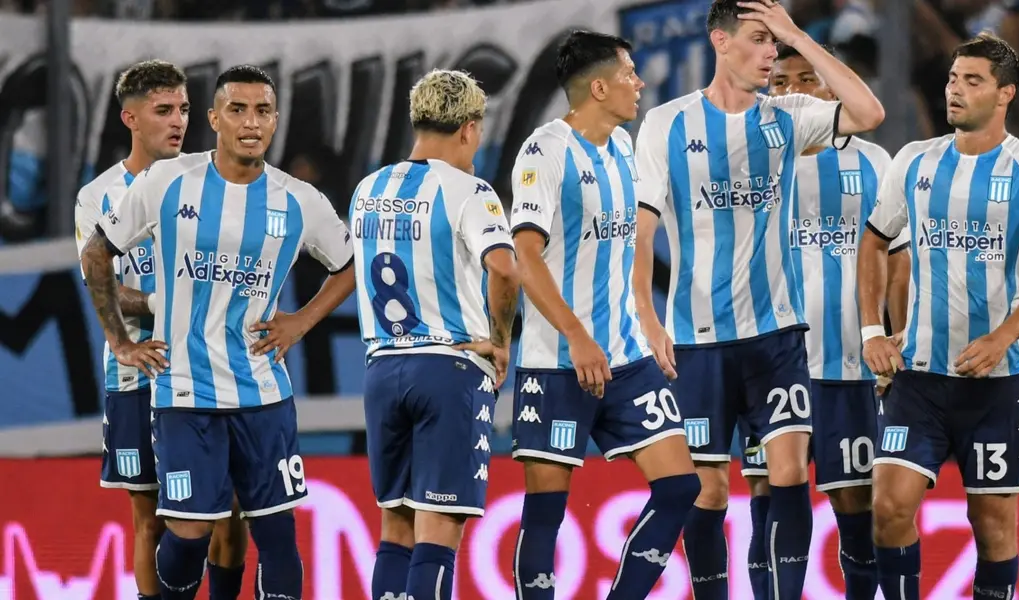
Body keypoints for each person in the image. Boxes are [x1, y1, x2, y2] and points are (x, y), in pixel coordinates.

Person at [632, 1, 884, 597]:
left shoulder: (790, 116)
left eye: (776, 42)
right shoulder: (666, 125)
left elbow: (869, 112)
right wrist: (646, 317)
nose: (772, 53)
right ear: (720, 41)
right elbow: (642, 230)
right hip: (697, 339)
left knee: (790, 472)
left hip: (776, 335)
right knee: (709, 490)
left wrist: (798, 33)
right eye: (759, 39)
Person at [80, 64, 356, 600]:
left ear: (275, 122)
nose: (251, 122)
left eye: (263, 111)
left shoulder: (299, 200)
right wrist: (120, 341)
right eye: (237, 109)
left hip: (262, 393)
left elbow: (348, 266)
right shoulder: (167, 182)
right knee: (186, 538)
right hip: (185, 392)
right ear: (215, 119)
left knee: (278, 538)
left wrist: (300, 322)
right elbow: (96, 254)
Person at [857, 33, 1019, 600]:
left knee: (994, 528)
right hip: (919, 377)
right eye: (953, 78)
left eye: (972, 81)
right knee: (888, 507)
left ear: (1005, 94)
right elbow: (875, 241)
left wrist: (1003, 336)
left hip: (995, 383)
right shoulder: (915, 160)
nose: (955, 90)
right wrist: (873, 331)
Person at [508, 30, 700, 599]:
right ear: (598, 86)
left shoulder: (622, 148)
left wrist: (648, 315)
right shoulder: (545, 150)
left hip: (627, 359)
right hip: (558, 364)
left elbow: (634, 245)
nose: (639, 83)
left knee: (680, 487)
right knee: (546, 511)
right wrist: (576, 337)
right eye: (629, 74)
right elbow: (524, 255)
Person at [735, 44, 911, 600]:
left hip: (849, 367)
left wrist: (897, 336)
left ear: (833, 87)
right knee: (766, 497)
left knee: (856, 506)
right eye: (781, 80)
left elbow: (897, 261)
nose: (794, 90)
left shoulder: (876, 163)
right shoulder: (749, 159)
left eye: (808, 78)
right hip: (769, 363)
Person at [72, 59, 247, 600]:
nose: (178, 122)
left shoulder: (211, 176)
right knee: (148, 516)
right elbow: (98, 279)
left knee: (227, 510)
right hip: (137, 375)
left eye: (185, 109)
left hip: (208, 366)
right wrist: (146, 313)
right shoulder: (97, 197)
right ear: (130, 117)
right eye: (163, 110)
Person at [350, 68, 520, 600]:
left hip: (381, 370)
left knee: (395, 528)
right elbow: (506, 268)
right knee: (439, 532)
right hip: (448, 368)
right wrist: (500, 338)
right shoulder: (471, 191)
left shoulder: (368, 189)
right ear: (469, 129)